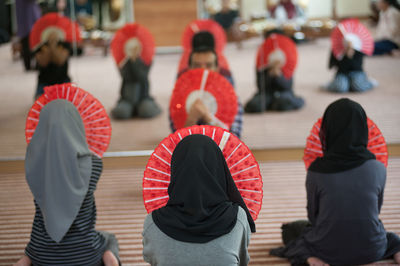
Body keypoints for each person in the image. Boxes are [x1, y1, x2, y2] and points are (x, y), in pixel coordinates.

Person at [270, 98, 400, 265]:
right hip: (372, 249)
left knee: (291, 230)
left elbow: (313, 216)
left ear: (327, 130)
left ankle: (310, 258)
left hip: (327, 251)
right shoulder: (378, 167)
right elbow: (376, 210)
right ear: (362, 130)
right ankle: (396, 251)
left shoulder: (316, 170)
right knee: (387, 235)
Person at [14, 100, 119, 266]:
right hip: (86, 257)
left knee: (34, 246)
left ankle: (26, 260)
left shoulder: (32, 164)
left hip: (43, 257)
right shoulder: (94, 164)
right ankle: (110, 259)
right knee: (109, 238)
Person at [142, 134, 255, 266]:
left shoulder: (152, 223)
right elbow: (242, 261)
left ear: (176, 170)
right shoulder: (238, 218)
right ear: (219, 170)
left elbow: (151, 260)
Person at [172, 46, 243, 137]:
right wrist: (191, 120)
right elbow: (176, 141)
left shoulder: (231, 97)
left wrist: (208, 117)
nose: (203, 70)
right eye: (197, 65)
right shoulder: (178, 98)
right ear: (189, 69)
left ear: (217, 69)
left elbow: (233, 140)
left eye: (209, 65)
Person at [245, 32, 304, 112]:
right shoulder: (262, 64)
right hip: (266, 94)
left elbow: (287, 87)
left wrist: (279, 76)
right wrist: (270, 73)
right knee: (254, 106)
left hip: (283, 93)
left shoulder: (287, 65)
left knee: (284, 103)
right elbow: (260, 87)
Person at [111, 38, 161, 119]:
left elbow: (142, 76)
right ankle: (131, 109)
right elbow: (125, 77)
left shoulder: (145, 62)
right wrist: (125, 63)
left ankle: (143, 108)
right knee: (121, 113)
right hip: (127, 98)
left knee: (146, 111)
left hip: (143, 98)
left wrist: (135, 61)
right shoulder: (125, 63)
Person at [34, 31, 72, 98]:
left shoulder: (65, 45)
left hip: (63, 80)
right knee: (40, 103)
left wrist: (53, 46)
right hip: (44, 82)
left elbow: (60, 61)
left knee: (69, 100)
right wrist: (50, 46)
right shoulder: (39, 46)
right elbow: (43, 63)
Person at [15, 0, 41, 71]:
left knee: (27, 42)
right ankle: (29, 65)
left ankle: (30, 64)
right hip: (28, 17)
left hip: (27, 15)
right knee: (29, 42)